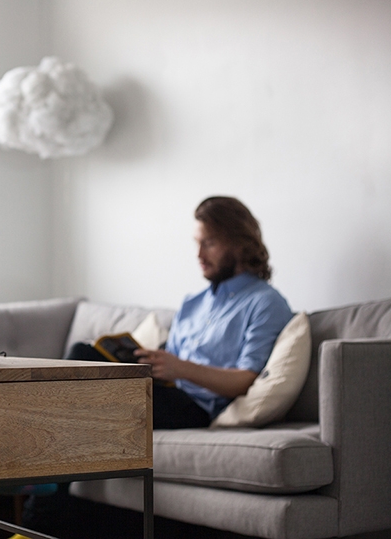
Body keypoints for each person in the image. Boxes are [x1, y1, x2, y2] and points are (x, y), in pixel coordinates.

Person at [17, 196, 294, 537]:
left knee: (77, 394)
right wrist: (151, 359)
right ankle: (39, 521)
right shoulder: (194, 303)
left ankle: (30, 516)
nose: (199, 255)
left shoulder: (265, 302)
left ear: (239, 242)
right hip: (162, 390)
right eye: (197, 243)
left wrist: (181, 368)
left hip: (194, 407)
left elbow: (244, 380)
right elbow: (171, 361)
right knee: (80, 358)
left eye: (209, 243)